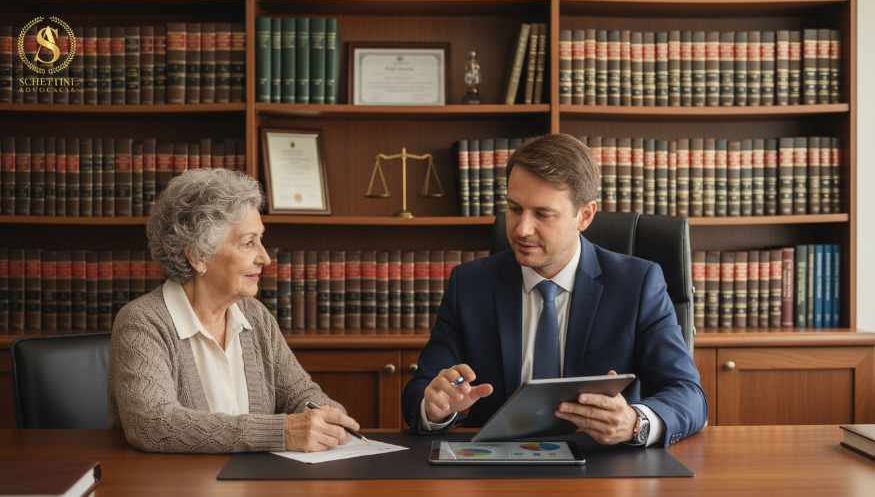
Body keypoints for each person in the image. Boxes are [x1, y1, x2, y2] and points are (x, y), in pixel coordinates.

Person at [402, 134, 707, 447]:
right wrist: (436, 407)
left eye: (542, 214)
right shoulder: (470, 285)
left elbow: (689, 396)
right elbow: (421, 391)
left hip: (602, 471)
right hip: (495, 468)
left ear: (585, 216)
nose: (522, 229)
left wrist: (635, 423)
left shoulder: (637, 284)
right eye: (514, 208)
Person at [109, 168, 361, 453]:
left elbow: (301, 392)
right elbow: (152, 424)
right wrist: (280, 432)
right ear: (198, 256)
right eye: (248, 243)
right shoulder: (142, 322)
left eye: (261, 240)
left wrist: (326, 417)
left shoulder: (254, 315)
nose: (264, 258)